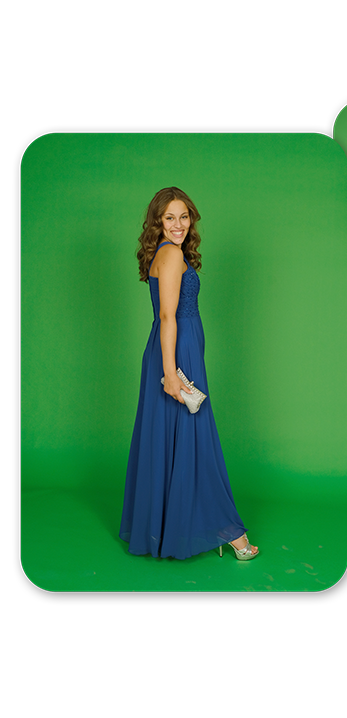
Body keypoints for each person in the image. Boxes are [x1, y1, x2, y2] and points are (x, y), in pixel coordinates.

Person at [120, 187, 259, 560]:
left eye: (184, 217)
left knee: (177, 438)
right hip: (175, 354)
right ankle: (231, 533)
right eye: (170, 218)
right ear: (157, 222)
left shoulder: (170, 253)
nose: (178, 225)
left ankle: (174, 527)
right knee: (194, 439)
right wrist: (170, 373)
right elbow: (167, 316)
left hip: (180, 349)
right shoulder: (169, 255)